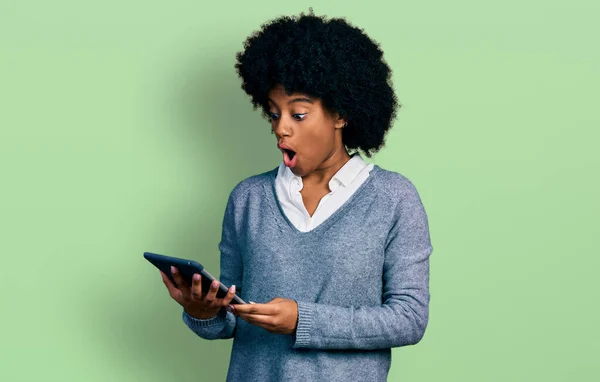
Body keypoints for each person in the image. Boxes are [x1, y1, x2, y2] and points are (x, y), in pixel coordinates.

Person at [159, 9, 433, 382]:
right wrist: (203, 311)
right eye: (274, 115)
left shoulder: (393, 199)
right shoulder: (248, 199)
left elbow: (409, 319)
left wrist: (303, 320)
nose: (281, 129)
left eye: (298, 114)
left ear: (340, 114)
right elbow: (229, 320)